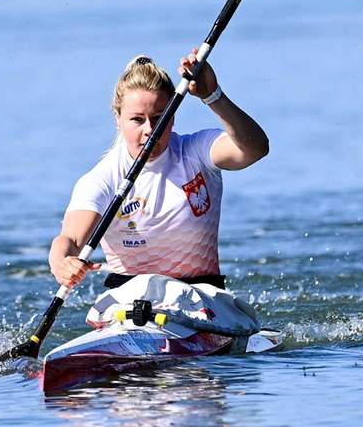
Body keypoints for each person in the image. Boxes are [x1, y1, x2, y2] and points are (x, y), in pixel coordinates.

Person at [49, 50, 269, 291]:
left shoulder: (196, 151)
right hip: (128, 304)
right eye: (137, 119)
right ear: (118, 118)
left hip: (203, 299)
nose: (150, 130)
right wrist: (63, 264)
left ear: (172, 116)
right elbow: (70, 240)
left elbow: (255, 148)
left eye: (158, 117)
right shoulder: (103, 179)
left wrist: (213, 96)